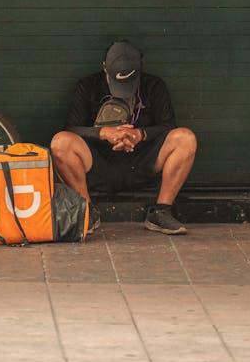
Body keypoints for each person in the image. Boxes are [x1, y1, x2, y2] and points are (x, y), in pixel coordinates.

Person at [50, 39, 197, 235]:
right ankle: (86, 212)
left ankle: (161, 211)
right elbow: (71, 128)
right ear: (105, 68)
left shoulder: (154, 85)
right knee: (60, 142)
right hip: (100, 164)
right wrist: (104, 133)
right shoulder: (88, 86)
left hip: (141, 163)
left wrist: (140, 134)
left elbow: (168, 125)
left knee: (185, 138)